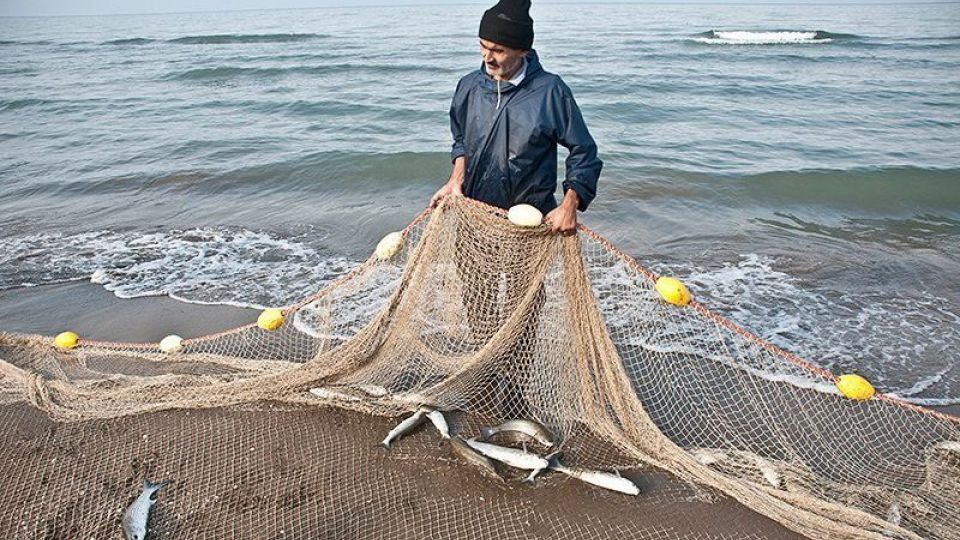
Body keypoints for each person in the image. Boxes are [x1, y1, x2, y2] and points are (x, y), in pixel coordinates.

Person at [430, 0, 602, 236]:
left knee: (520, 275)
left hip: (528, 224)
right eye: (483, 46)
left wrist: (570, 204)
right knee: (471, 274)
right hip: (473, 216)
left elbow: (584, 151)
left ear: (523, 51)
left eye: (498, 50)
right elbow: (460, 138)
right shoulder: (468, 86)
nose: (487, 57)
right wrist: (455, 180)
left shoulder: (550, 91)